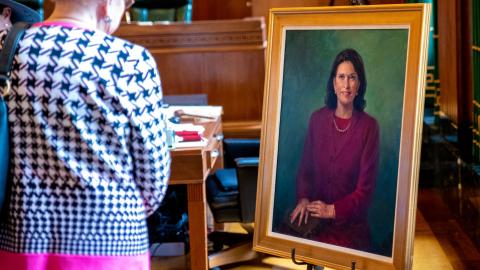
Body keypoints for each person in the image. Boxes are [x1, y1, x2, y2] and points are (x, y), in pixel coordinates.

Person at [0, 0, 171, 269]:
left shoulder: (10, 52)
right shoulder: (129, 60)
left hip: (23, 240)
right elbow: (153, 182)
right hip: (112, 243)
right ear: (107, 4)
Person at [289, 48, 379, 252]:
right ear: (334, 83)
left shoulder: (369, 127)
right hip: (313, 223)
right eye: (341, 77)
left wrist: (332, 210)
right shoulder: (317, 119)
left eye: (352, 78)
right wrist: (303, 198)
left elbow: (365, 192)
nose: (346, 85)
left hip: (349, 226)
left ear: (359, 85)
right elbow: (305, 170)